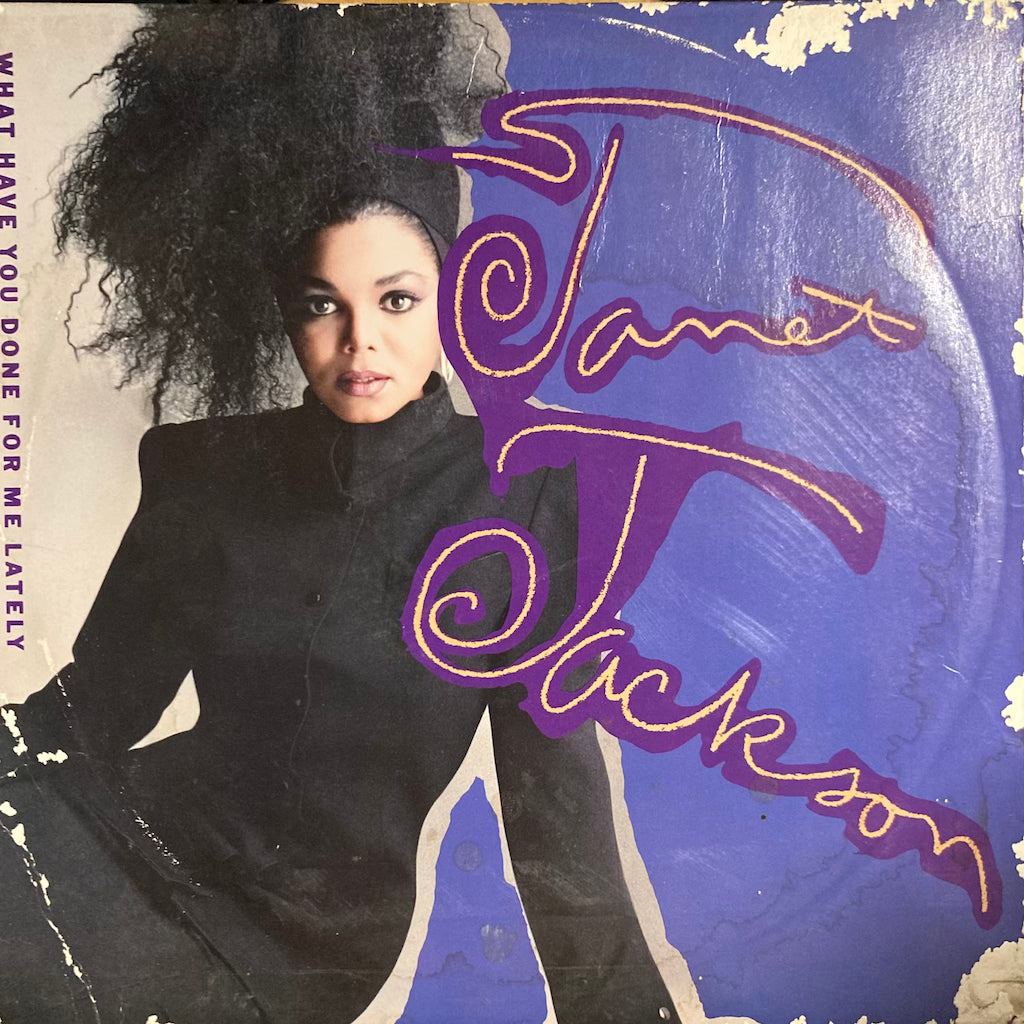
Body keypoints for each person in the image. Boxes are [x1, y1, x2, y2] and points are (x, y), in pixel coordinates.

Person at [0, 7, 681, 1022]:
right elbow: (90, 713)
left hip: (305, 941)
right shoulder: (206, 470)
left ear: (456, 299)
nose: (359, 339)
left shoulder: (526, 500)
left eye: (397, 299)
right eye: (323, 302)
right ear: (285, 311)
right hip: (122, 845)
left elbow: (559, 830)